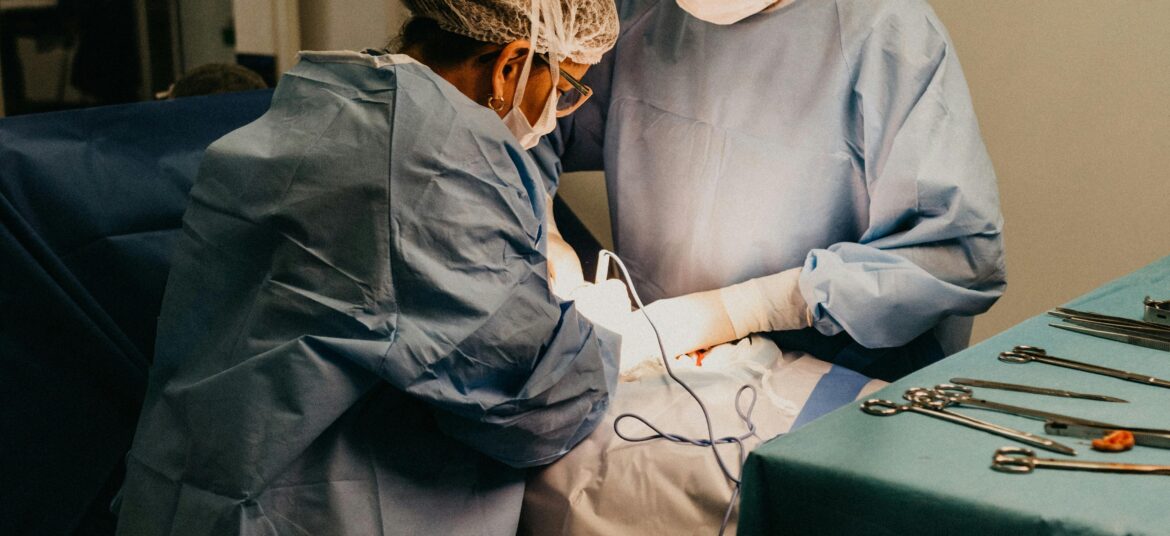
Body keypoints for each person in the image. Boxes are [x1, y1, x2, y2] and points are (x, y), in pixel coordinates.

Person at [113, 1, 627, 534]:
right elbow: (538, 404)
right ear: (511, 65)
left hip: (188, 489)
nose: (558, 111)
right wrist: (608, 342)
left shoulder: (333, 93)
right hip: (293, 511)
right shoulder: (437, 158)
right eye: (565, 87)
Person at [534, 0, 1007, 381]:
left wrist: (745, 309)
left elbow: (956, 253)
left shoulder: (886, 32)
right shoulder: (639, 14)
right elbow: (529, 124)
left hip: (844, 378)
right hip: (666, 359)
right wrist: (547, 235)